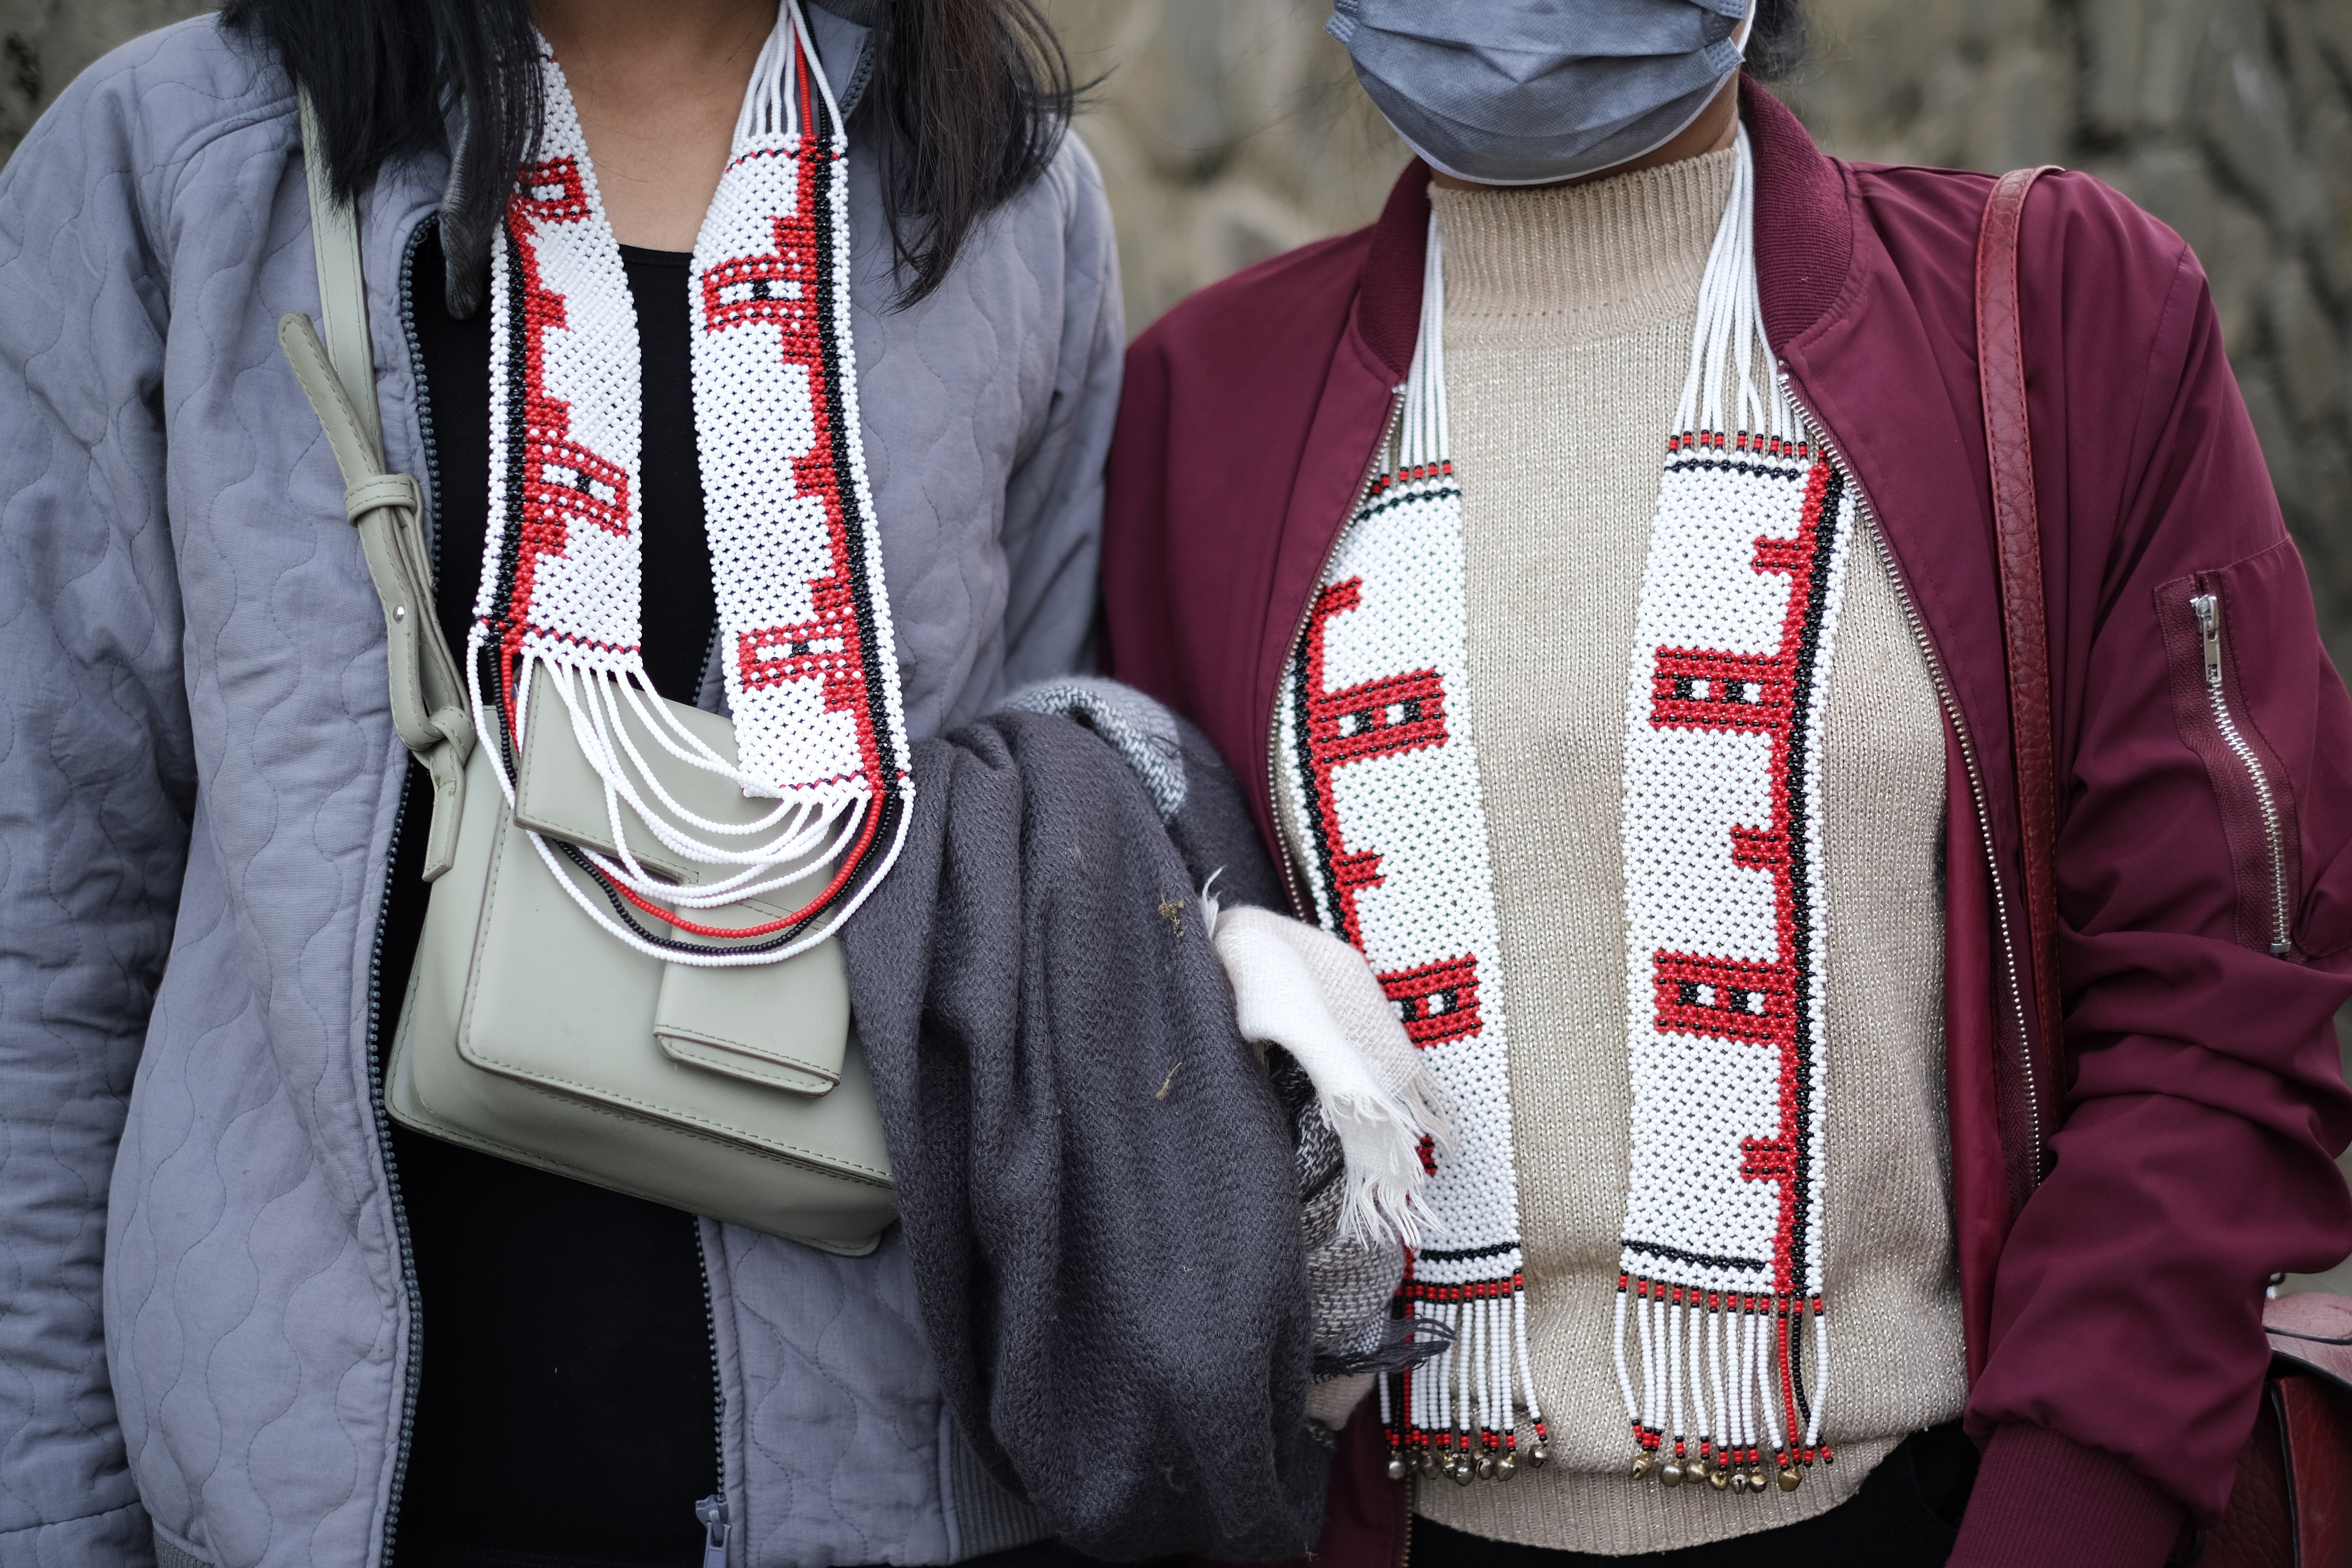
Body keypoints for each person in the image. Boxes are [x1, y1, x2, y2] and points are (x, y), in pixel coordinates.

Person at [1102, 1, 2352, 1564]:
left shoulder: (2064, 317)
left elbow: (2220, 1002)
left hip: (1955, 1517)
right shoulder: (1194, 406)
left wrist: (2061, 1521)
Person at [0, 0, 1123, 1563]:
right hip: (301, 1494)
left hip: (884, 1488)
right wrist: (48, 1511)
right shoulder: (180, 163)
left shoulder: (999, 201)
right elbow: (45, 917)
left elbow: (1024, 880)